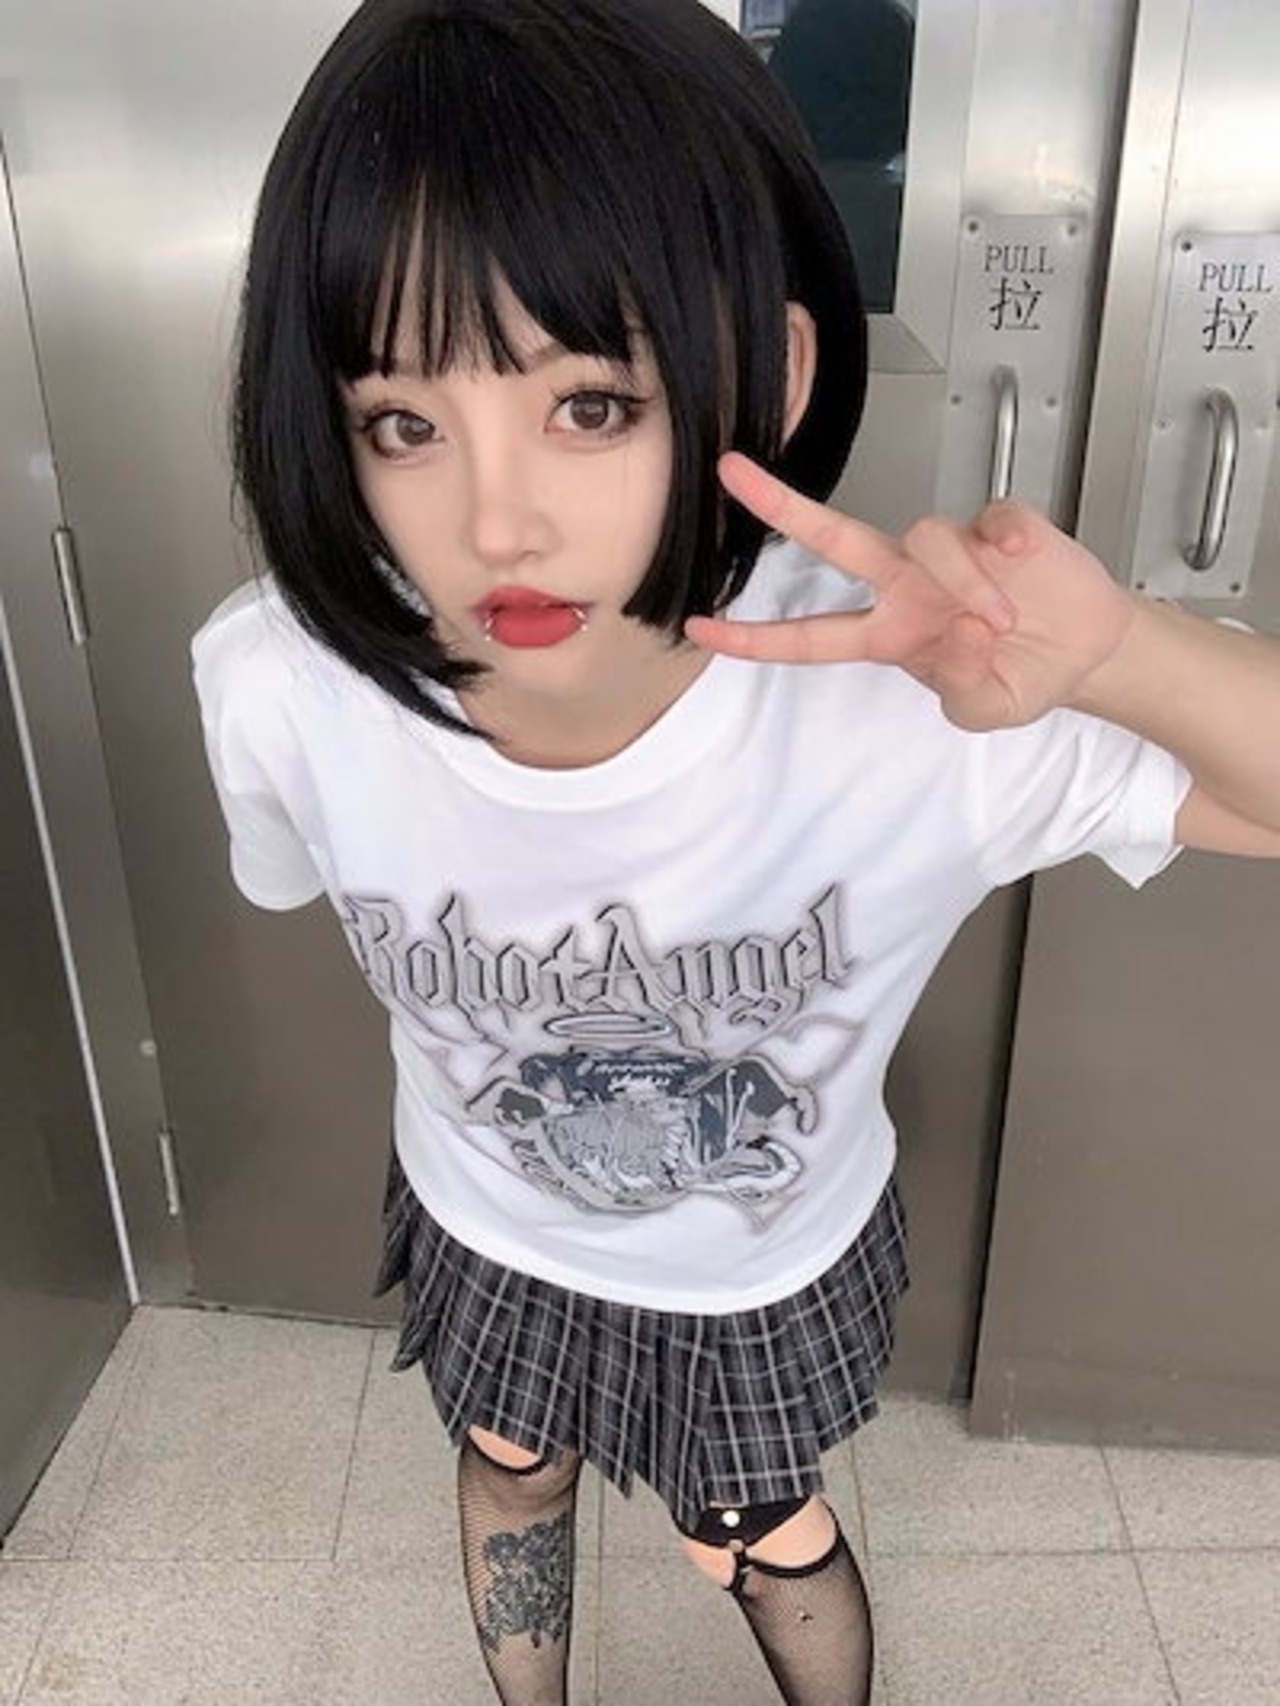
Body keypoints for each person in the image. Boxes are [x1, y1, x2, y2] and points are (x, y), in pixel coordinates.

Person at [191, 2, 1280, 1702]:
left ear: (765, 374)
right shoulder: (279, 681)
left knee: (765, 1526)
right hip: (489, 1219)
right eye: (404, 421)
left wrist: (1121, 653)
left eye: (589, 403)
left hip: (760, 1259)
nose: (495, 523)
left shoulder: (910, 696)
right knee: (509, 1472)